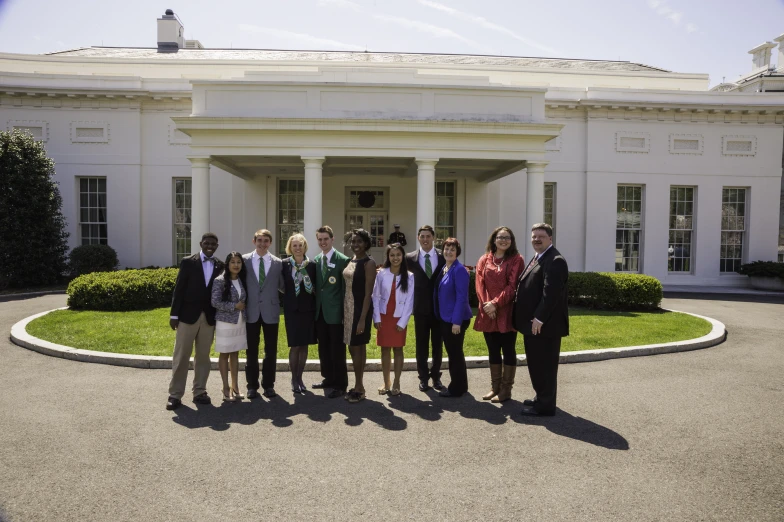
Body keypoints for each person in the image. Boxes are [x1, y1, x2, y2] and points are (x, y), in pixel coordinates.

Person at [513, 223, 569, 417]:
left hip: (545, 326)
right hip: (534, 325)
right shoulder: (540, 256)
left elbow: (550, 294)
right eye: (534, 236)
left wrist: (539, 317)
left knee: (544, 366)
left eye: (541, 237)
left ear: (550, 239)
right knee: (537, 364)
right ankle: (541, 397)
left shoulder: (555, 260)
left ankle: (545, 406)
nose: (536, 239)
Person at [166, 232, 223, 410]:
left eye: (213, 244)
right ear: (200, 243)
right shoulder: (188, 262)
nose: (210, 246)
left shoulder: (220, 266)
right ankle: (175, 394)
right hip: (187, 317)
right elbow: (179, 290)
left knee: (203, 357)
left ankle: (199, 391)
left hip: (208, 318)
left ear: (217, 246)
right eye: (207, 243)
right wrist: (174, 315)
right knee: (181, 356)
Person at [474, 227, 524, 403]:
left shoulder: (516, 260)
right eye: (500, 237)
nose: (504, 240)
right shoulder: (484, 259)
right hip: (488, 311)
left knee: (508, 350)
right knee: (493, 349)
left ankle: (506, 390)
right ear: (494, 239)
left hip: (506, 311)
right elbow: (479, 284)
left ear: (512, 240)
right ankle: (494, 387)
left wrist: (495, 303)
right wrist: (487, 305)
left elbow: (513, 286)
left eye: (507, 237)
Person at [243, 229, 284, 399]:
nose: (262, 243)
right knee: (251, 351)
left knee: (271, 350)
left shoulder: (278, 263)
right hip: (251, 310)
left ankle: (269, 385)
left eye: (266, 240)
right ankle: (252, 386)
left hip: (271, 311)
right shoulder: (244, 260)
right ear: (254, 241)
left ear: (270, 243)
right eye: (259, 240)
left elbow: (283, 285)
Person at [406, 225, 446, 392]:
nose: (425, 239)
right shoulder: (410, 258)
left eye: (428, 236)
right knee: (421, 345)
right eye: (422, 236)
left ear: (433, 238)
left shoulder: (443, 256)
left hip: (438, 309)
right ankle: (423, 378)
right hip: (420, 309)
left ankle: (436, 376)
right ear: (418, 238)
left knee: (438, 345)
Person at [372, 243, 415, 396]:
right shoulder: (381, 273)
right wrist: (376, 317)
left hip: (398, 317)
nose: (395, 258)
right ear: (388, 257)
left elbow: (410, 301)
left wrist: (403, 322)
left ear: (402, 257)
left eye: (398, 255)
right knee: (384, 349)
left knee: (398, 349)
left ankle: (396, 381)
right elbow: (375, 296)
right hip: (384, 316)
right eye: (392, 255)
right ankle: (386, 382)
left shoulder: (409, 276)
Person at [312, 226, 350, 399]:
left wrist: (344, 314)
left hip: (335, 313)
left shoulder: (342, 260)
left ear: (332, 239)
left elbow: (344, 291)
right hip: (320, 312)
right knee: (323, 347)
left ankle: (340, 384)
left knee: (337, 349)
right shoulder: (316, 259)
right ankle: (328, 378)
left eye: (325, 239)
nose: (322, 242)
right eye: (319, 239)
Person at [433, 238, 473, 398]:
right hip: (445, 317)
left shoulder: (459, 270)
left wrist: (456, 322)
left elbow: (462, 297)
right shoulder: (446, 267)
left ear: (457, 252)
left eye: (452, 249)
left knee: (455, 354)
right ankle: (461, 385)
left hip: (456, 320)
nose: (448, 252)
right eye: (446, 249)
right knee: (454, 353)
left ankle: (456, 388)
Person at [343, 228, 377, 403]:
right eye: (353, 241)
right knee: (353, 348)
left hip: (359, 310)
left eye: (359, 241)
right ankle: (358, 385)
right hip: (348, 309)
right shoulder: (352, 260)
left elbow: (368, 293)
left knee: (357, 348)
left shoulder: (368, 263)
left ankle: (359, 387)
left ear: (366, 243)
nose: (355, 245)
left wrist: (363, 319)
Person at [280, 233, 317, 394]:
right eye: (294, 245)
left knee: (304, 345)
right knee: (294, 346)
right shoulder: (284, 264)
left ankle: (300, 377)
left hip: (308, 310)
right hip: (292, 310)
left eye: (300, 245)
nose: (297, 248)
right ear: (290, 247)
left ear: (304, 246)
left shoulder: (312, 265)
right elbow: (280, 287)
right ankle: (293, 379)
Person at [210, 251, 248, 402]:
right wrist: (235, 306)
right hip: (225, 323)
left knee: (235, 354)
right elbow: (215, 302)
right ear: (227, 264)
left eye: (238, 262)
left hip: (239, 321)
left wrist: (240, 308)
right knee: (224, 354)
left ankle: (235, 386)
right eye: (233, 262)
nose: (236, 265)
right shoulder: (219, 280)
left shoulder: (241, 279)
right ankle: (225, 387)